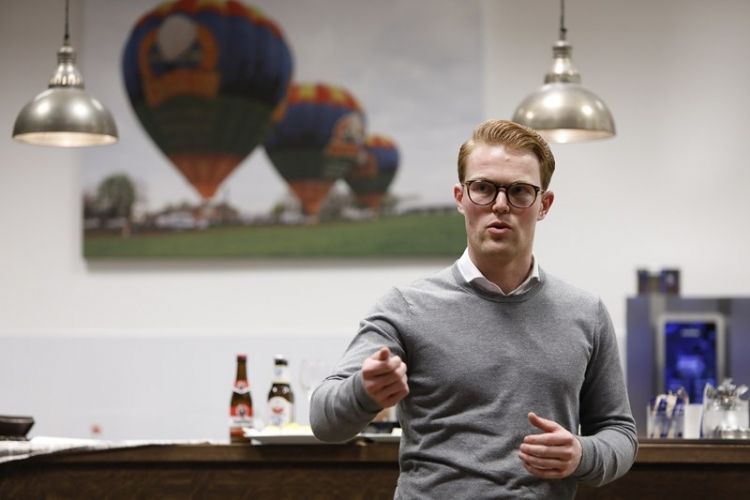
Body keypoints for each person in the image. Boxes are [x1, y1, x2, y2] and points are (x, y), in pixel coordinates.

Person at [310, 119, 637, 499]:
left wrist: (583, 454)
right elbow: (324, 421)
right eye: (483, 188)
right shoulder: (406, 307)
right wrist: (363, 391)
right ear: (460, 197)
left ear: (543, 205)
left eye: (519, 191)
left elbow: (620, 433)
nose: (500, 205)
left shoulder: (585, 313)